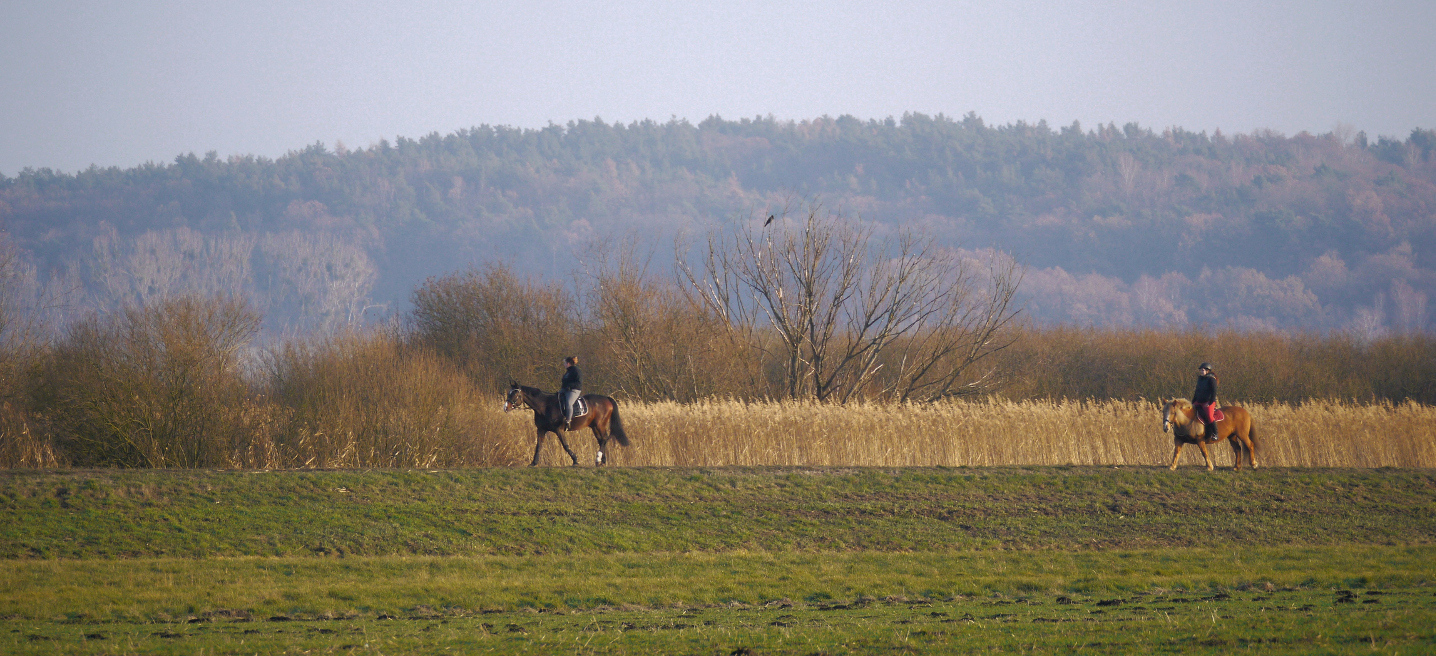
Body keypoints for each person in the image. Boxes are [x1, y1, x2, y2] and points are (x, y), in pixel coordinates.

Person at [1191, 362, 1219, 441]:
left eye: (1203, 370)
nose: (1201, 371)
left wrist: (1210, 402)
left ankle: (1215, 434)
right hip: (1199, 401)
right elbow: (1197, 391)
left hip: (1208, 402)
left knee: (1210, 417)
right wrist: (1193, 401)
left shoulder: (1212, 379)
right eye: (1201, 370)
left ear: (1207, 371)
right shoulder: (1200, 379)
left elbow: (1214, 392)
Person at [559, 355, 582, 430]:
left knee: (568, 403)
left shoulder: (576, 371)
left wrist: (570, 386)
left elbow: (578, 382)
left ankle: (568, 421)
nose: (564, 364)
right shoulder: (567, 372)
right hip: (566, 390)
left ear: (568, 363)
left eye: (565, 363)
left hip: (574, 390)